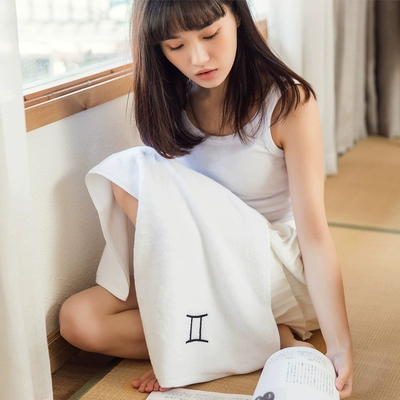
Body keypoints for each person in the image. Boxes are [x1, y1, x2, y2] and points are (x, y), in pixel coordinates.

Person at [59, 0, 353, 398]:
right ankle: (264, 338)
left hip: (272, 269)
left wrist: (339, 345)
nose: (197, 57)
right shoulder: (171, 101)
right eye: (175, 45)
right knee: (79, 319)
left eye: (210, 34)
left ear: (238, 18)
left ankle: (212, 342)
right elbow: (172, 227)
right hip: (195, 269)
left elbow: (315, 237)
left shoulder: (287, 102)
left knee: (132, 171)